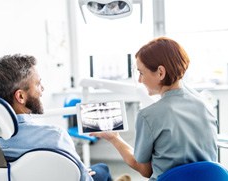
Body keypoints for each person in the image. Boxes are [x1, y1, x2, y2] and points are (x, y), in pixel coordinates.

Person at [0, 54, 112, 181]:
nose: (42, 89)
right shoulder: (54, 137)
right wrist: (84, 172)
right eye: (38, 84)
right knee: (102, 169)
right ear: (20, 96)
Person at [90, 37, 218, 180]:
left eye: (141, 73)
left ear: (161, 72)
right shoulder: (205, 105)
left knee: (101, 172)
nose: (140, 80)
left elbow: (145, 170)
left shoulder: (148, 116)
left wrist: (114, 138)